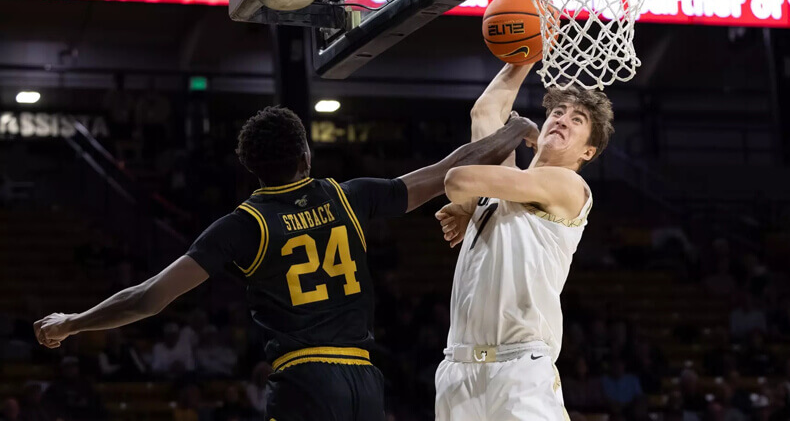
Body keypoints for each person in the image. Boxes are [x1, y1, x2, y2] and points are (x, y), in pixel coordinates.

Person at [33, 105, 537, 421]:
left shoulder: (243, 225)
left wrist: (73, 322)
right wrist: (513, 130)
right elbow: (450, 167)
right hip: (363, 381)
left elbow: (149, 298)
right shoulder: (348, 197)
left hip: (305, 379)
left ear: (251, 168)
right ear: (305, 156)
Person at [434, 64, 614, 421]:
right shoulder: (502, 184)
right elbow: (485, 111)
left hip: (520, 370)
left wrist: (468, 201)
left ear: (588, 152)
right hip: (458, 369)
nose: (562, 120)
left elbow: (457, 180)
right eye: (557, 112)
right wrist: (525, 55)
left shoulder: (569, 186)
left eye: (577, 120)